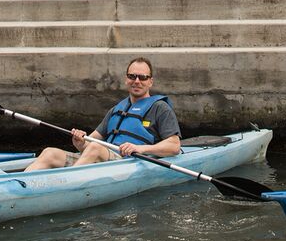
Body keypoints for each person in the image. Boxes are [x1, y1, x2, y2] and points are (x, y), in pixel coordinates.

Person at [23, 56, 180, 170]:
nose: (137, 81)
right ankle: (21, 186)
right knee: (50, 152)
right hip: (106, 161)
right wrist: (79, 142)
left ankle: (64, 184)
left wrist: (141, 149)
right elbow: (88, 144)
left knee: (96, 148)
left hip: (129, 162)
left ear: (150, 81)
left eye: (142, 77)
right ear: (126, 79)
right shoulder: (117, 110)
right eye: (132, 76)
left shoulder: (160, 108)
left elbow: (174, 146)